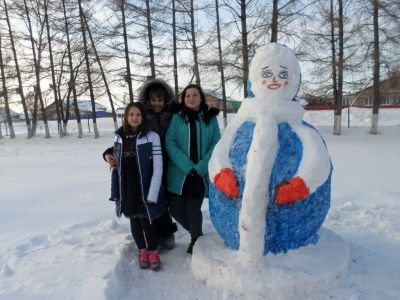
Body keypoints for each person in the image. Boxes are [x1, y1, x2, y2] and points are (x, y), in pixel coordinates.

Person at [104, 79, 178, 250]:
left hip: (170, 166)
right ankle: (156, 236)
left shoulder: (173, 117)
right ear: (148, 100)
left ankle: (166, 233)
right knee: (150, 201)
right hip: (148, 168)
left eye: (160, 100)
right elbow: (128, 139)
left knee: (163, 203)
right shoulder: (143, 117)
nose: (157, 103)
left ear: (166, 100)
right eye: (153, 100)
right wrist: (108, 153)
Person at [109, 102, 166, 271]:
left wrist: (153, 192)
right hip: (127, 187)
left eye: (138, 115)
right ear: (126, 116)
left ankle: (153, 251)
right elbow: (116, 166)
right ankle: (142, 250)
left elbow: (158, 167)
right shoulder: (119, 137)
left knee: (147, 221)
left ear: (143, 117)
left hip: (145, 186)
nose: (135, 118)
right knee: (134, 220)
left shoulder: (152, 136)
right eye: (131, 114)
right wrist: (116, 191)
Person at [165, 84, 221, 255]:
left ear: (201, 98)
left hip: (200, 174)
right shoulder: (177, 117)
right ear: (183, 98)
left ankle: (196, 239)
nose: (191, 98)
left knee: (193, 208)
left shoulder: (210, 119)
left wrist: (200, 168)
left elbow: (216, 144)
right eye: (187, 95)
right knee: (175, 209)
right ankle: (197, 235)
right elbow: (170, 142)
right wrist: (188, 167)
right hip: (179, 173)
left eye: (195, 95)